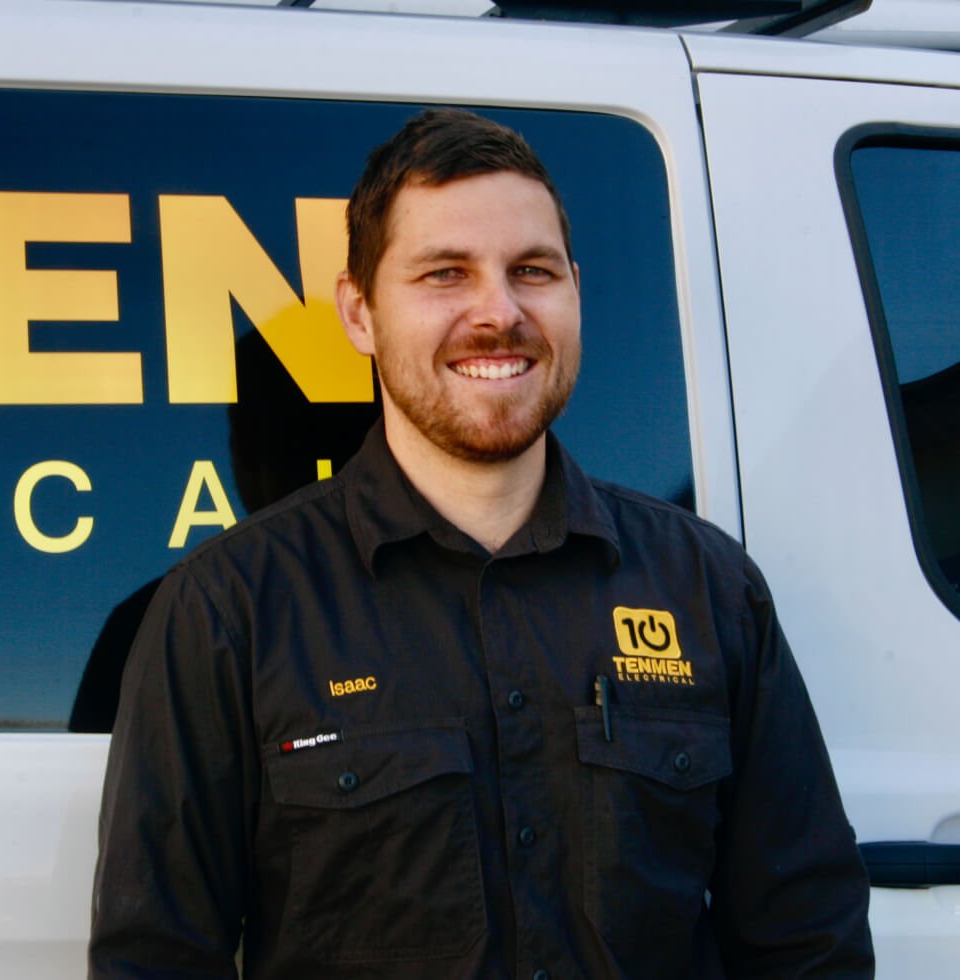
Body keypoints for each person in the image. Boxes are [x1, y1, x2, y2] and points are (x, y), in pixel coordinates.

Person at [90, 108, 874, 978]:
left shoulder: (708, 589)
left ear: (574, 290)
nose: (498, 313)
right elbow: (155, 962)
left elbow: (810, 942)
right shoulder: (230, 611)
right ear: (359, 313)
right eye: (444, 275)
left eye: (531, 271)